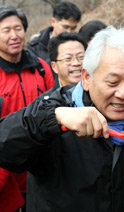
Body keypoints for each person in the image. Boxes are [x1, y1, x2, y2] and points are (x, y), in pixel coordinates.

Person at [0, 26, 124, 212]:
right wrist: (55, 119)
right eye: (112, 82)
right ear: (86, 78)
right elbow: (4, 146)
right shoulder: (55, 108)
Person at [0, 5, 54, 212]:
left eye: (18, 28)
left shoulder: (41, 67)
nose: (14, 35)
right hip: (7, 176)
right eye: (6, 30)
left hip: (41, 171)